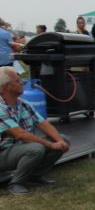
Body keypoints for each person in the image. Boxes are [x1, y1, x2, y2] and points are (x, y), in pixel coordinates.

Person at [0, 67, 69, 195]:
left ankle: (34, 176)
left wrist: (60, 141)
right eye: (18, 81)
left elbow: (44, 124)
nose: (22, 83)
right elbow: (20, 134)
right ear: (7, 86)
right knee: (36, 148)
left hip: (18, 149)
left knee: (63, 139)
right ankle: (16, 183)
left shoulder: (23, 104)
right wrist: (51, 145)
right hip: (3, 152)